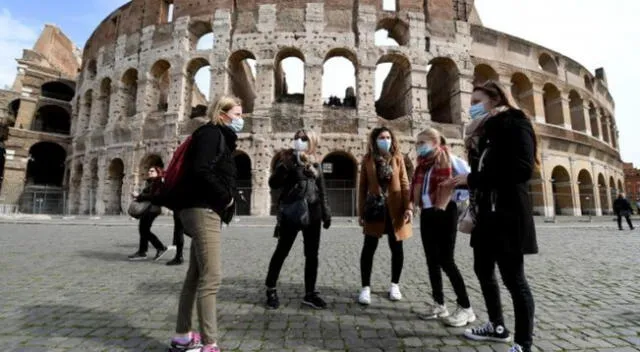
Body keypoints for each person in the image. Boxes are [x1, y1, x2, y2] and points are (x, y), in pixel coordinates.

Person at [444, 81, 538, 352]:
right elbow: (483, 173)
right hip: (486, 214)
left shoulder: (516, 123)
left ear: (494, 98)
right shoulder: (485, 132)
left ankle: (523, 344)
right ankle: (497, 326)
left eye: (476, 101)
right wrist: (466, 181)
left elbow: (522, 169)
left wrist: (473, 178)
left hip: (508, 213)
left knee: (514, 279)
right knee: (483, 270)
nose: (470, 107)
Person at [168, 95, 242, 352]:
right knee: (212, 278)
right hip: (204, 209)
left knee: (195, 276)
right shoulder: (212, 134)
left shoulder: (212, 134)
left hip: (198, 208)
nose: (240, 120)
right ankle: (209, 344)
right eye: (237, 115)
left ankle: (182, 336)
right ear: (221, 114)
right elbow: (201, 169)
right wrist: (227, 197)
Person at [411, 128, 475, 327]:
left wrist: (454, 196)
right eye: (417, 143)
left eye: (422, 142)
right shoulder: (422, 165)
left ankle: (466, 308)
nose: (418, 146)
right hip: (427, 213)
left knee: (447, 260)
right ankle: (439, 304)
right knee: (431, 260)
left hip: (445, 211)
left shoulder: (450, 159)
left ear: (434, 141)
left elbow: (469, 179)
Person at [265, 129, 332, 310]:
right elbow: (273, 183)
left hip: (313, 213)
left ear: (312, 142)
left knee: (312, 255)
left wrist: (326, 213)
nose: (298, 141)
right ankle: (270, 288)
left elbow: (322, 190)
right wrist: (285, 167)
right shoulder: (287, 161)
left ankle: (310, 293)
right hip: (292, 212)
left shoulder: (316, 165)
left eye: (303, 138)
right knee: (282, 251)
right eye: (296, 138)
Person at [357, 127, 413, 305]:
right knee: (369, 248)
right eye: (382, 137)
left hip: (395, 209)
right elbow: (362, 187)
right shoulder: (367, 159)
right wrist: (361, 211)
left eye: (388, 137)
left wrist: (409, 207)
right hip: (375, 207)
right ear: (375, 140)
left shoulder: (398, 158)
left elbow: (405, 183)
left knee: (397, 248)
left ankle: (395, 285)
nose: (386, 140)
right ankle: (365, 287)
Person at [128, 166, 171, 261]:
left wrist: (139, 196)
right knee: (143, 229)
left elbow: (154, 196)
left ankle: (160, 248)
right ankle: (142, 251)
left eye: (152, 171)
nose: (149, 172)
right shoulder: (151, 182)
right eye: (149, 170)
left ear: (158, 172)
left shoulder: (158, 181)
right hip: (149, 208)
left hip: (152, 209)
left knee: (144, 230)